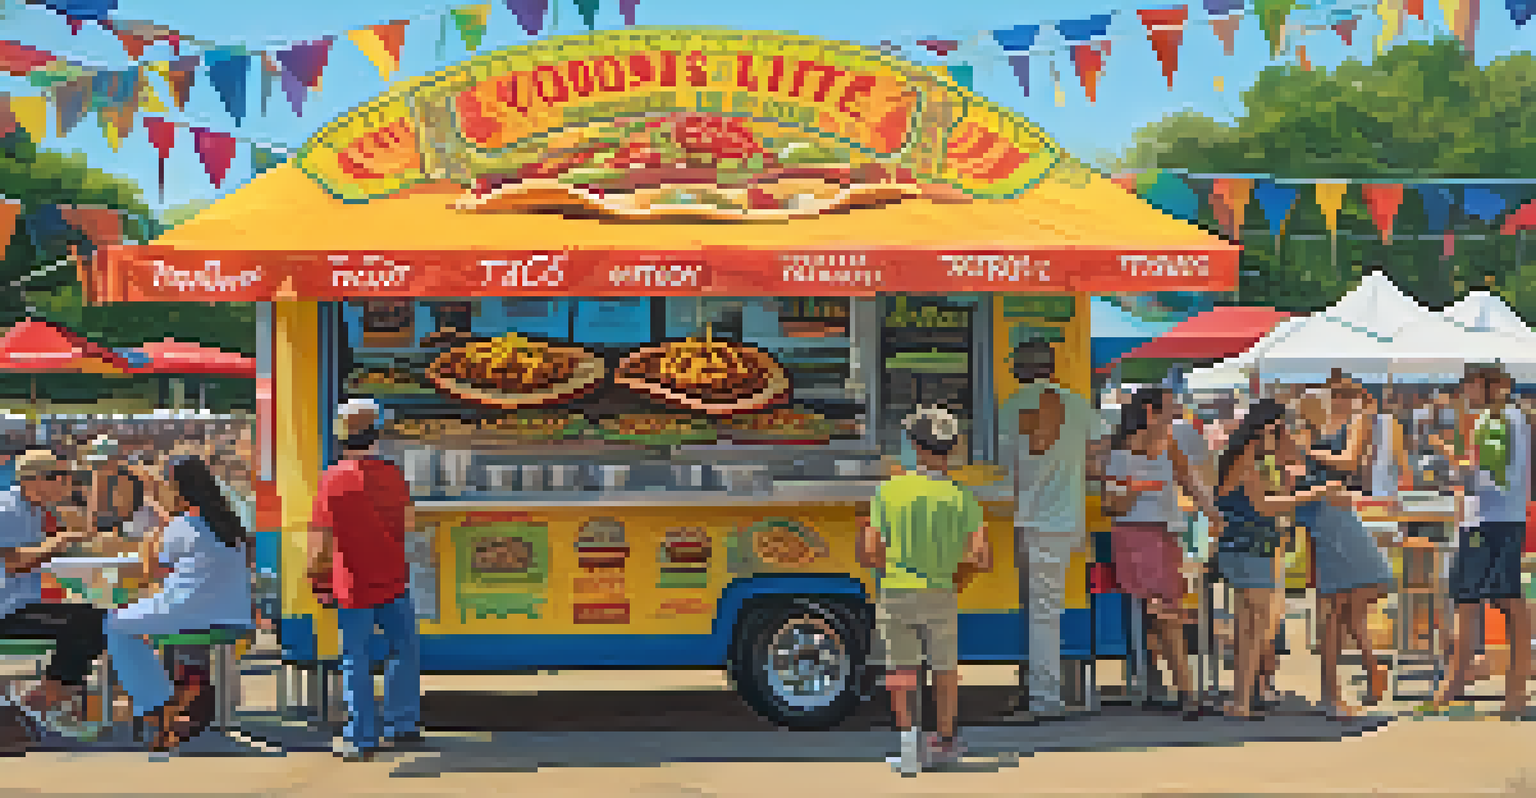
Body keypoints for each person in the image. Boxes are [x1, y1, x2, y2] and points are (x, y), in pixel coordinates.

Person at [858, 405, 991, 776]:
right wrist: (953, 581)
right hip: (942, 592)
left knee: (902, 670)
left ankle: (908, 746)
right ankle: (945, 741)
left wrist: (897, 569)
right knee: (944, 669)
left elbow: (870, 552)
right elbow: (981, 557)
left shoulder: (888, 492)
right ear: (952, 448)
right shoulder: (963, 498)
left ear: (914, 447)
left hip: (897, 591)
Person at [104, 455, 252, 752]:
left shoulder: (182, 525)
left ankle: (157, 706)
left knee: (114, 623)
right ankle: (166, 698)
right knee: (142, 624)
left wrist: (153, 538)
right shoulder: (230, 524)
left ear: (179, 489)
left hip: (190, 610)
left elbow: (151, 574)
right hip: (233, 613)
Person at [996, 339, 1109, 724]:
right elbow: (1100, 449)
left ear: (1018, 369)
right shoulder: (1077, 404)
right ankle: (1036, 688)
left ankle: (1044, 699)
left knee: (1040, 612)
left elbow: (1000, 461)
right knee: (1044, 610)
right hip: (1063, 519)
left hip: (1031, 517)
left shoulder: (1012, 406)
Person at [1214, 400, 1345, 720]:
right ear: (1265, 430)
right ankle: (1241, 700)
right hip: (1250, 549)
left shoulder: (1247, 458)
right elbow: (1265, 507)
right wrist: (1317, 493)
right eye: (1278, 429)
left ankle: (1241, 700)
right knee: (1254, 628)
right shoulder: (1248, 461)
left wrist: (1285, 448)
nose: (1284, 434)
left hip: (1246, 549)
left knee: (1251, 628)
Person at [309, 399, 420, 762]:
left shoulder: (332, 479)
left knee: (355, 658)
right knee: (403, 648)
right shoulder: (393, 474)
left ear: (342, 437)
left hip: (352, 583)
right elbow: (409, 525)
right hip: (393, 578)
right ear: (376, 435)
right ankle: (402, 724)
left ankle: (361, 738)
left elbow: (322, 541)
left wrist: (317, 576)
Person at [1103, 388, 1221, 719]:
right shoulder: (1122, 453)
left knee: (1164, 614)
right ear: (1152, 413)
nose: (1177, 412)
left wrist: (1212, 514)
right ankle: (1186, 691)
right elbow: (1113, 504)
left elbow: (1190, 482)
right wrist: (1140, 485)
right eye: (1170, 408)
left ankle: (1172, 685)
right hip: (1139, 535)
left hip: (1164, 535)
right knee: (1166, 614)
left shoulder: (1170, 446)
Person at [1431, 365, 1532, 718]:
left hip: (1501, 520)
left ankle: (1516, 689)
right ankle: (1456, 681)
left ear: (1488, 385)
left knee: (1508, 600)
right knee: (1466, 598)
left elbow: (1489, 471)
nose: (1465, 391)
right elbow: (1478, 474)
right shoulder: (1490, 419)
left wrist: (1450, 457)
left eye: (1470, 384)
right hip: (1480, 519)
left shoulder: (1507, 419)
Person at [1293, 377, 1394, 718]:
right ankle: (1337, 689)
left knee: (1354, 596)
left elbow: (1350, 462)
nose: (1337, 397)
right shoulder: (1306, 419)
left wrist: (1307, 450)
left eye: (1343, 390)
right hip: (1314, 514)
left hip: (1332, 513)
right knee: (1335, 606)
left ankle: (1359, 674)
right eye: (1333, 390)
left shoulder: (1357, 416)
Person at [0, 449, 103, 743]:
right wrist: (59, 542)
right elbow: (13, 561)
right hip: (7, 609)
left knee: (94, 618)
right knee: (90, 621)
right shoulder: (7, 510)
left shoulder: (34, 509)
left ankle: (46, 698)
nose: (66, 482)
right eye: (58, 476)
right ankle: (45, 701)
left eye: (68, 475)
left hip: (19, 603)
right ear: (32, 480)